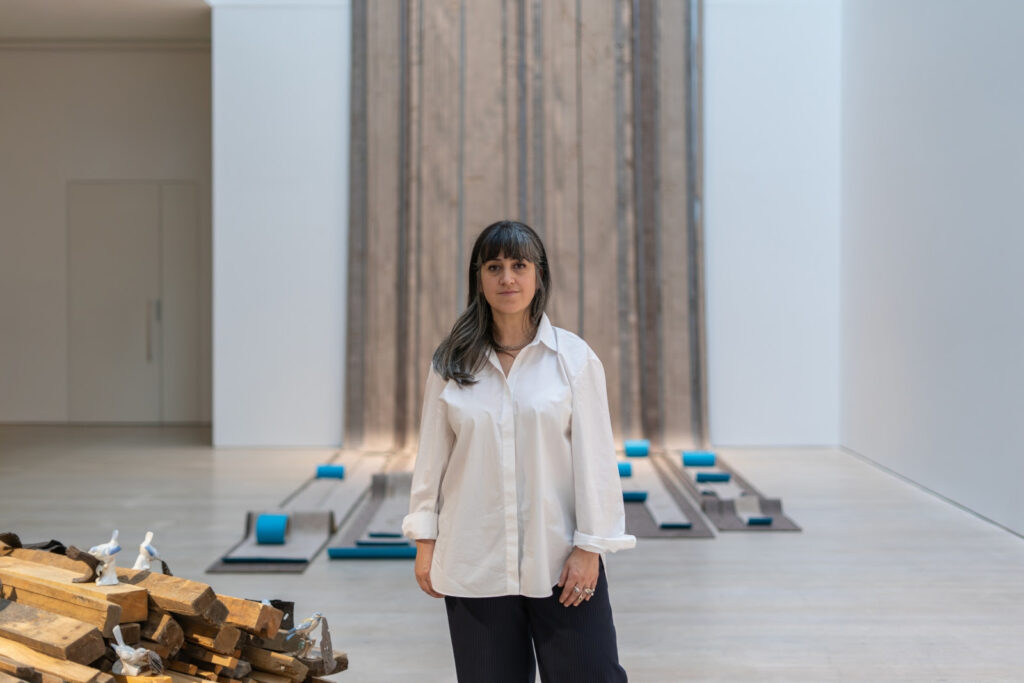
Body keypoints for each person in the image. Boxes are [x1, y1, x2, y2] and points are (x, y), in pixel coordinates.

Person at [402, 220, 636, 682]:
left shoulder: (573, 359)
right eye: (494, 267)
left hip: (560, 562)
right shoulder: (452, 363)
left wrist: (590, 548)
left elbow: (596, 463)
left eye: (519, 266)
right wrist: (425, 542)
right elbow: (431, 461)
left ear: (539, 275)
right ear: (479, 278)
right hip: (475, 562)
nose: (507, 278)